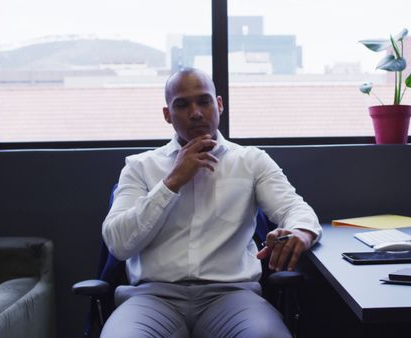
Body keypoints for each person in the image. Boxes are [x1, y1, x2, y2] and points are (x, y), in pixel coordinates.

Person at [101, 67, 322, 338]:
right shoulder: (139, 167)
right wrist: (172, 182)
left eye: (204, 101)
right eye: (182, 104)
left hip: (232, 298)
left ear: (218, 105)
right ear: (167, 115)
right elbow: (119, 243)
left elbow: (295, 208)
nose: (195, 112)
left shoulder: (250, 161)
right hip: (152, 299)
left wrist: (301, 231)